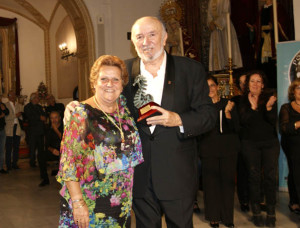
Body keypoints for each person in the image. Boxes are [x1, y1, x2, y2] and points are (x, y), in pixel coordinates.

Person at [64, 16, 216, 228]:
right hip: (137, 178)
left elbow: (209, 115)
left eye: (152, 35)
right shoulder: (124, 72)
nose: (146, 42)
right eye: (139, 37)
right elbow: (105, 99)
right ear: (133, 43)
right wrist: (77, 106)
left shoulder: (190, 70)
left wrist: (178, 119)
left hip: (177, 175)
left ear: (164, 38)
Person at [57, 55, 144, 227]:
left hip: (122, 202)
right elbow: (68, 163)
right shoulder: (81, 114)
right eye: (104, 79)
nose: (109, 84)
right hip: (89, 201)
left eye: (115, 79)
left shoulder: (124, 110)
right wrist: (77, 202)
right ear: (94, 82)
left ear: (122, 84)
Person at [237, 70, 279, 227]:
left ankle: (271, 212)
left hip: (270, 143)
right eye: (252, 81)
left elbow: (273, 120)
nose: (255, 84)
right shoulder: (242, 100)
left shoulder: (270, 98)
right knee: (254, 177)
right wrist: (254, 107)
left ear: (263, 84)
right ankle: (256, 212)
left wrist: (268, 108)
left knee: (270, 177)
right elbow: (244, 121)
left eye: (258, 81)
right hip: (250, 144)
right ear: (247, 84)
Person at [199, 76, 239, 228]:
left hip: (228, 149)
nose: (210, 89)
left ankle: (228, 217)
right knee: (211, 184)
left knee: (228, 184)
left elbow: (236, 127)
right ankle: (213, 216)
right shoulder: (201, 107)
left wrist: (227, 113)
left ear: (217, 87)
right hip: (208, 149)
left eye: (212, 85)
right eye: (206, 86)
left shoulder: (228, 104)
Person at [279, 78, 300, 215]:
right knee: (297, 173)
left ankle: (294, 201)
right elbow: (285, 129)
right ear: (293, 91)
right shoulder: (286, 107)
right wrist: (298, 124)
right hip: (293, 145)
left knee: (294, 173)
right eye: (298, 88)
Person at [207, 0, 242, 72]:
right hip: (215, 30)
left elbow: (226, 13)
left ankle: (228, 69)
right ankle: (218, 70)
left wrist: (217, 23)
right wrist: (210, 23)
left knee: (226, 46)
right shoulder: (211, 1)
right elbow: (209, 14)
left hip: (225, 27)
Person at [24, 92, 48, 187]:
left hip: (40, 131)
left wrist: (44, 117)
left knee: (41, 148)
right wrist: (39, 117)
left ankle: (41, 161)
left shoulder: (39, 107)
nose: (38, 99)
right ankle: (32, 161)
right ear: (33, 99)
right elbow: (29, 116)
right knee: (32, 147)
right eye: (37, 98)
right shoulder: (27, 107)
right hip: (33, 131)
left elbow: (44, 115)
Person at [5, 91, 23, 170]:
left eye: (14, 95)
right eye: (10, 95)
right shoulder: (5, 105)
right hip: (9, 128)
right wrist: (15, 115)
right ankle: (8, 165)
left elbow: (21, 117)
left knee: (16, 147)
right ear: (8, 97)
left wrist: (20, 116)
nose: (12, 96)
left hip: (17, 127)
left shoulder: (19, 105)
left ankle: (15, 163)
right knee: (9, 147)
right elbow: (5, 118)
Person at [45, 111, 63, 176]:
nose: (54, 120)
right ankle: (45, 179)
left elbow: (64, 139)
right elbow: (46, 144)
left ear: (60, 118)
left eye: (55, 118)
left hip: (63, 149)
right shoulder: (48, 129)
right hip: (52, 149)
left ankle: (63, 174)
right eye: (52, 118)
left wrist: (56, 130)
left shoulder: (64, 126)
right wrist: (52, 150)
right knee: (41, 156)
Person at [0, 95, 9, 174]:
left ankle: (1, 167)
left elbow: (7, 112)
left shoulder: (2, 104)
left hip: (2, 129)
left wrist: (4, 109)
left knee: (2, 149)